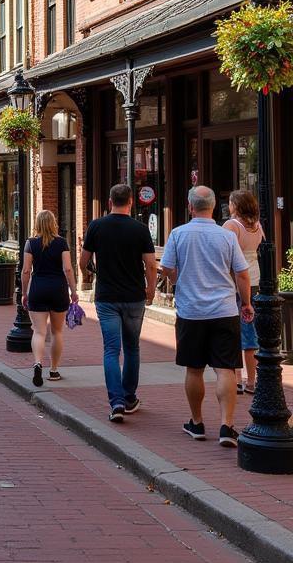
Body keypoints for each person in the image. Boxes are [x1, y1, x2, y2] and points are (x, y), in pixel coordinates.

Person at [160, 186, 253, 448]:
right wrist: (245, 302)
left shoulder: (178, 234)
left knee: (194, 368)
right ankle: (227, 425)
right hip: (224, 310)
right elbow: (242, 273)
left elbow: (166, 268)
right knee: (225, 368)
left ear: (191, 207)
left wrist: (179, 279)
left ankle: (197, 422)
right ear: (214, 208)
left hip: (191, 312)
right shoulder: (226, 237)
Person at [79, 183, 158, 423]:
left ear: (110, 202)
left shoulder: (96, 226)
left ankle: (116, 402)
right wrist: (151, 290)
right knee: (132, 348)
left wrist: (89, 273)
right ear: (131, 202)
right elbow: (151, 264)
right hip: (134, 296)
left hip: (107, 297)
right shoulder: (140, 229)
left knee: (111, 350)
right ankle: (129, 396)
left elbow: (83, 261)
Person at [22, 210, 78, 386]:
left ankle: (38, 363)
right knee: (57, 332)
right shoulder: (62, 243)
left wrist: (24, 292)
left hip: (38, 288)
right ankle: (54, 370)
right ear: (53, 223)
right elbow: (68, 269)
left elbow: (25, 271)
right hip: (58, 289)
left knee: (39, 332)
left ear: (37, 224)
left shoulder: (30, 244)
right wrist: (74, 291)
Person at [223, 189, 264, 395]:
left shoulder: (232, 225)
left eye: (230, 202)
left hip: (236, 281)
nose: (228, 206)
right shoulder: (257, 225)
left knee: (235, 332)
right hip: (255, 279)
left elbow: (226, 253)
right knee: (250, 330)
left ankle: (239, 379)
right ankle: (252, 380)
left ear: (236, 205)